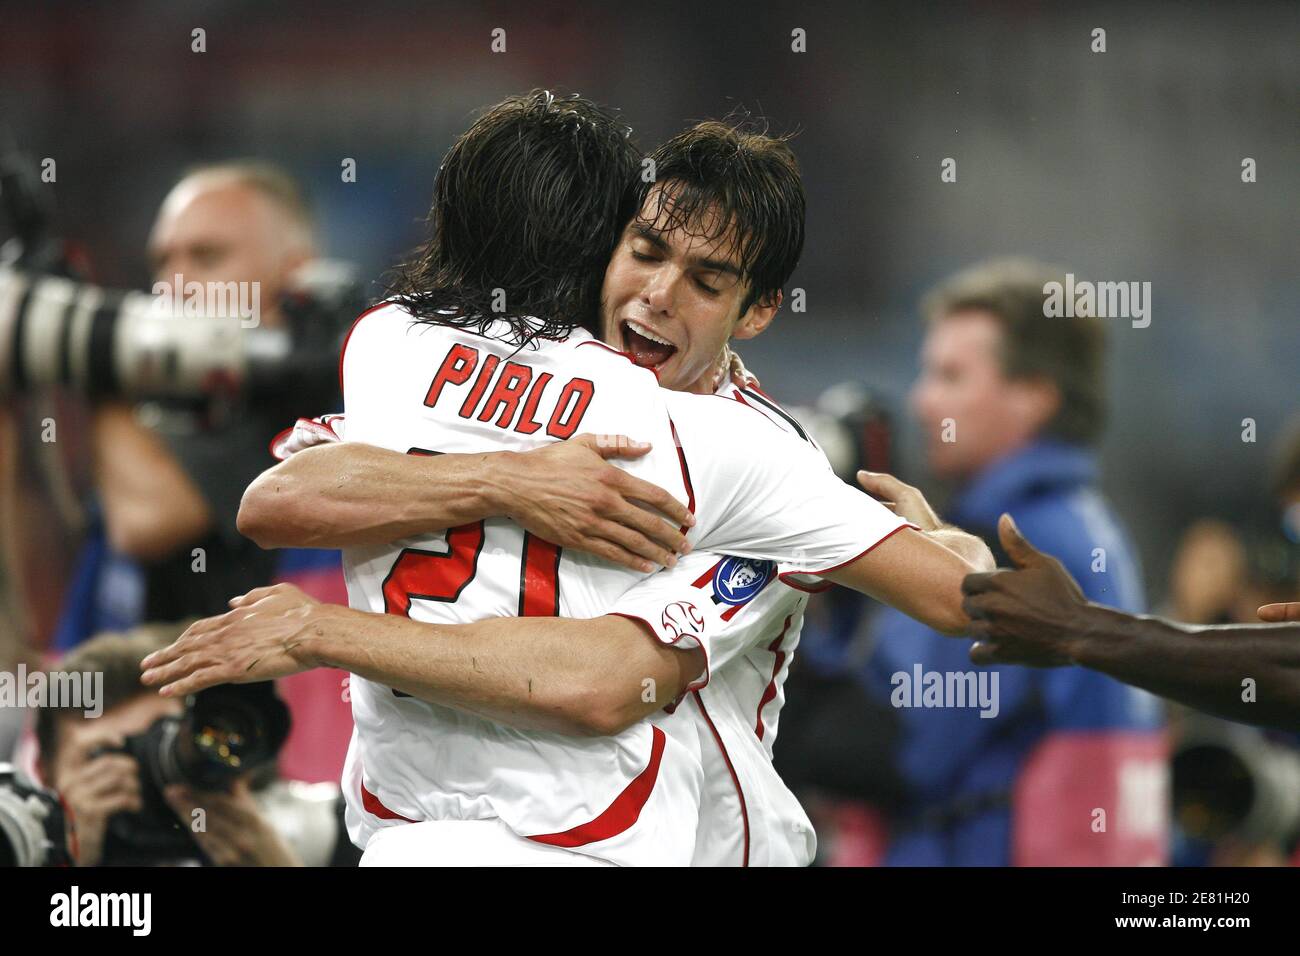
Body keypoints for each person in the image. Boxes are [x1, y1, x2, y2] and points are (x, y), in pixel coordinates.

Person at [143, 91, 994, 866]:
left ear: (761, 309)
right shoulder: (506, 379)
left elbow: (607, 682)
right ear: (604, 245)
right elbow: (279, 499)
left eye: (707, 281)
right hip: (475, 833)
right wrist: (510, 480)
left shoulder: (745, 456)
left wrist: (319, 633)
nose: (659, 295)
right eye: (646, 251)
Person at [861, 258, 1168, 866]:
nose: (922, 401)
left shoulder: (1013, 541)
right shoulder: (1089, 525)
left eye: (951, 376)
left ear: (1033, 397)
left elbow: (906, 751)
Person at [35, 625, 357, 866]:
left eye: (159, 741)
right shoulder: (16, 843)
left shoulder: (325, 831)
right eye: (103, 756)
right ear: (44, 774)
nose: (144, 774)